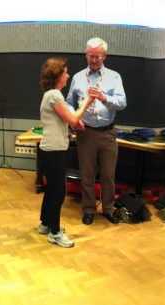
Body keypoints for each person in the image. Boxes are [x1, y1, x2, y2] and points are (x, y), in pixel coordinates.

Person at [66, 37, 127, 225]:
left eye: (97, 56)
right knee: (87, 174)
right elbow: (68, 102)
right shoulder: (77, 77)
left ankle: (108, 208)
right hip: (86, 133)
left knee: (108, 175)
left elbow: (122, 103)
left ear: (105, 56)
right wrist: (74, 119)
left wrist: (104, 97)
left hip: (108, 133)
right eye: (90, 56)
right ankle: (89, 209)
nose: (93, 60)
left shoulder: (114, 77)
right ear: (86, 55)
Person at [35, 57, 95, 248]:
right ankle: (54, 233)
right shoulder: (55, 95)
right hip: (53, 151)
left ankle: (45, 224)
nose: (68, 76)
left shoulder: (50, 95)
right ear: (57, 75)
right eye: (65, 72)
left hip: (50, 149)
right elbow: (72, 119)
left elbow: (67, 120)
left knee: (52, 189)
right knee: (59, 191)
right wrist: (86, 102)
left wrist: (75, 121)